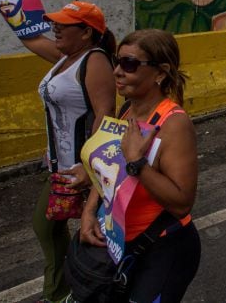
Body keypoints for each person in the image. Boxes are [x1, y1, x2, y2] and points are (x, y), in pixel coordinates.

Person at [80, 29, 201, 301]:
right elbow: (108, 172)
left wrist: (137, 163)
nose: (117, 72)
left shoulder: (174, 124)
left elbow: (182, 202)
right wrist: (88, 212)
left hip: (163, 246)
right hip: (121, 241)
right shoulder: (127, 109)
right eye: (117, 61)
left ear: (160, 73)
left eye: (130, 64)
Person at [19, 0, 117, 303]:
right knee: (48, 227)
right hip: (59, 167)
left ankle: (73, 291)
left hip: (81, 168)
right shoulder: (64, 59)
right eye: (54, 22)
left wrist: (90, 167)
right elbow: (31, 38)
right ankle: (64, 291)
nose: (55, 28)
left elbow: (105, 115)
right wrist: (9, 1)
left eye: (64, 24)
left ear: (86, 32)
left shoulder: (95, 61)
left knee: (103, 234)